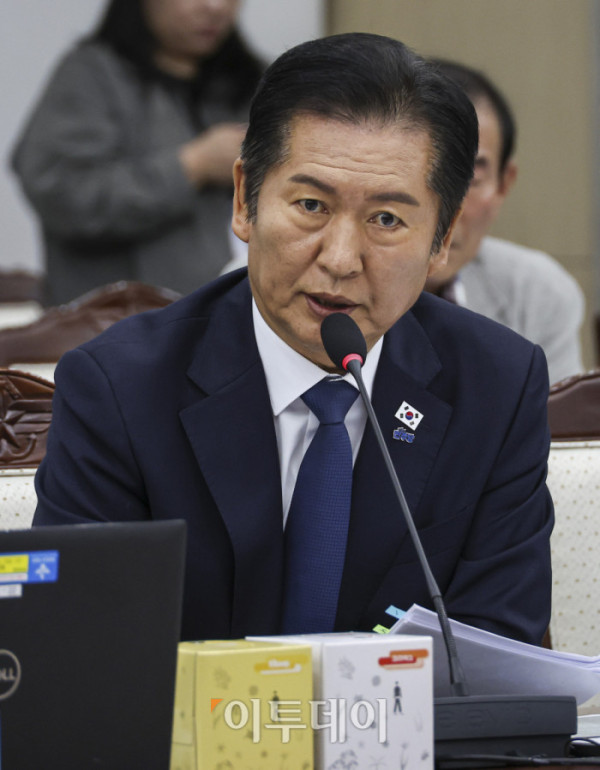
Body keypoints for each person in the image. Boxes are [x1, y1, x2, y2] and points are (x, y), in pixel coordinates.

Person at [33, 33, 553, 647]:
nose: (340, 259)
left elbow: (499, 648)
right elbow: (79, 651)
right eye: (311, 205)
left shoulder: (497, 386)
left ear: (442, 238)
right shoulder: (120, 388)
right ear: (245, 201)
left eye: (387, 219)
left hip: (408, 716)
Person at [11, 0, 263, 306]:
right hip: (114, 320)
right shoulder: (92, 75)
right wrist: (192, 166)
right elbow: (60, 192)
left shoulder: (253, 80)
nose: (215, 7)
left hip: (232, 309)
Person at [425, 60, 585, 385]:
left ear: (504, 183)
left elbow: (555, 417)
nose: (444, 211)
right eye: (424, 178)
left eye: (470, 179)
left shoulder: (537, 293)